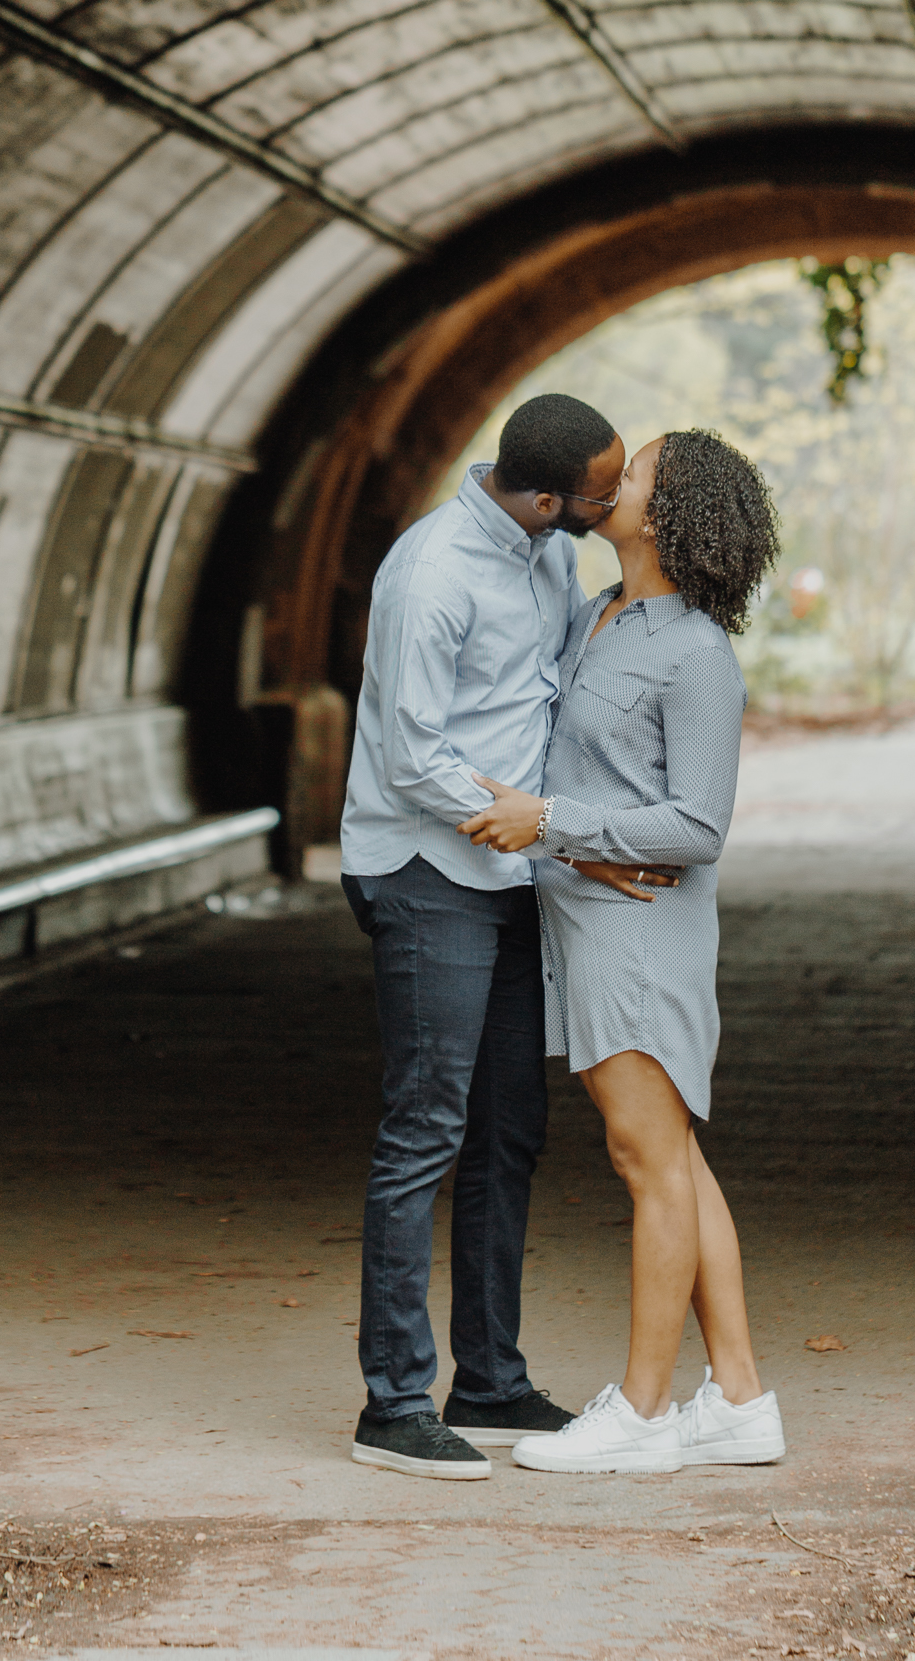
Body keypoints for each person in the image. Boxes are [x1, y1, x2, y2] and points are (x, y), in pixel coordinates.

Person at [340, 393, 678, 1480]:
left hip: (511, 867)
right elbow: (408, 753)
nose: (614, 500)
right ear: (546, 495)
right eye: (601, 489)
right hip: (426, 865)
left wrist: (559, 833)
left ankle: (487, 1379)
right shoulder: (429, 576)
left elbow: (541, 699)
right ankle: (393, 1401)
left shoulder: (544, 554)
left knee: (510, 1124)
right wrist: (520, 819)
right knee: (425, 1126)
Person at [458, 428, 784, 1475]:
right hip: (588, 923)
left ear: (670, 512)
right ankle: (738, 1398)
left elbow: (697, 825)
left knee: (647, 1162)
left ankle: (640, 1416)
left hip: (641, 939)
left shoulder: (694, 652)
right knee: (673, 1156)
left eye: (633, 471)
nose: (610, 481)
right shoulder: (599, 613)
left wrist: (552, 824)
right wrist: (565, 836)